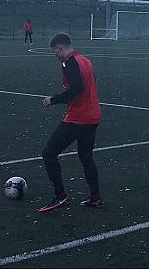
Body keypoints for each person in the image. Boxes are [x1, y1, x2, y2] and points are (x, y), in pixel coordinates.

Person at [40, 33, 102, 212]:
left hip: (78, 118)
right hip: (93, 116)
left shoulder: (68, 62)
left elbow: (77, 88)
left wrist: (54, 99)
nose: (55, 55)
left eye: (54, 51)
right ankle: (95, 197)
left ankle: (61, 196)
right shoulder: (85, 60)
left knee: (49, 153)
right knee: (86, 157)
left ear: (60, 48)